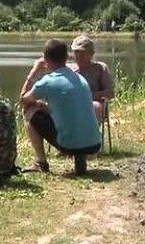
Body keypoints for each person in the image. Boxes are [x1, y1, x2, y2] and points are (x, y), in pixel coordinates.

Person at [20, 39, 101, 173]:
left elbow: (23, 100)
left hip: (68, 146)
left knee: (29, 110)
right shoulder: (79, 78)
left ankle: (40, 162)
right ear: (67, 58)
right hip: (94, 144)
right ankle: (80, 156)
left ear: (45, 59)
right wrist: (44, 105)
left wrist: (34, 72)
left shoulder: (48, 81)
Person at [70, 35, 115, 122]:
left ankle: (92, 135)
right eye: (76, 52)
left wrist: (89, 95)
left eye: (82, 52)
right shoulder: (68, 69)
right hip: (71, 104)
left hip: (92, 104)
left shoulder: (100, 68)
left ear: (91, 53)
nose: (79, 55)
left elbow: (110, 93)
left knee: (95, 107)